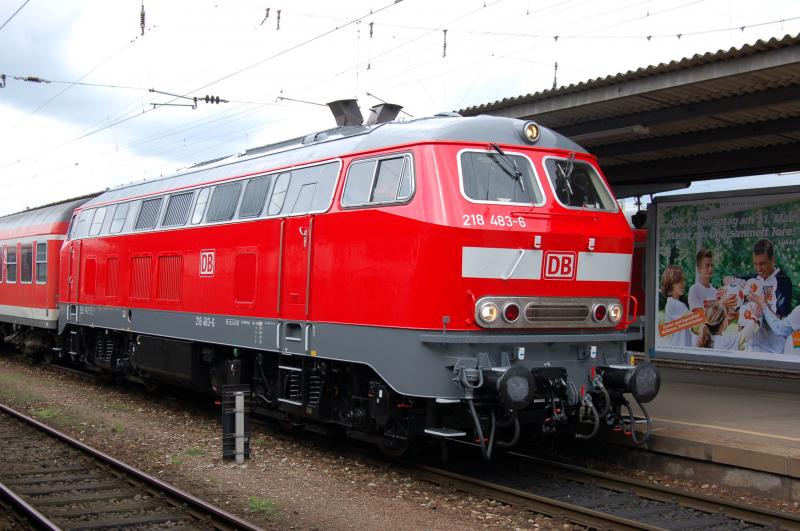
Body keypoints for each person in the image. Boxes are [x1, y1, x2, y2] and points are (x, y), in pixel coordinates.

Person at [725, 239, 793, 353]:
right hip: (751, 348)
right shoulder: (754, 279)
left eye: (762, 264)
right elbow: (733, 280)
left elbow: (779, 321)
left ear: (772, 260)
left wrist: (761, 305)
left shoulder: (783, 282)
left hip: (773, 350)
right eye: (755, 264)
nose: (758, 269)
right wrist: (729, 281)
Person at [660, 265, 693, 347]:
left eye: (683, 280)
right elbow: (695, 320)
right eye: (679, 281)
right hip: (678, 349)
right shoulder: (675, 305)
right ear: (670, 284)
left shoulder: (672, 303)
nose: (683, 284)